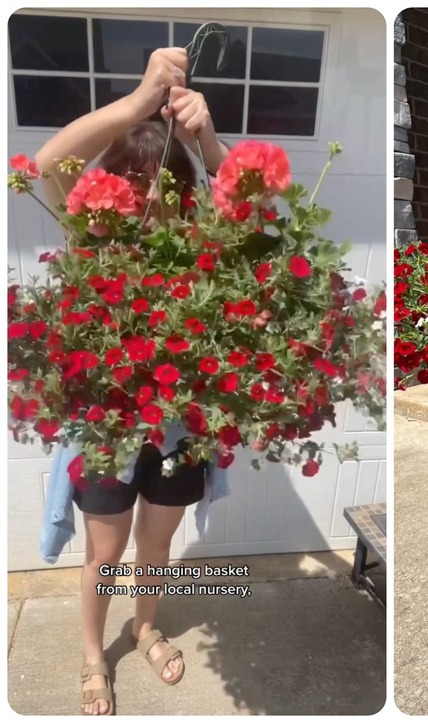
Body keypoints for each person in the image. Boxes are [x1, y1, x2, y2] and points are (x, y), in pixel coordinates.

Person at [33, 47, 231, 716]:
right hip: (109, 430)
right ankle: (94, 654)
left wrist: (203, 135)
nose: (147, 200)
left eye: (163, 188)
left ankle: (143, 625)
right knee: (105, 550)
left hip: (177, 430)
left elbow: (252, 204)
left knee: (155, 543)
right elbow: (45, 165)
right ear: (111, 185)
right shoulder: (95, 239)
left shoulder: (201, 248)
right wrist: (140, 101)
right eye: (133, 182)